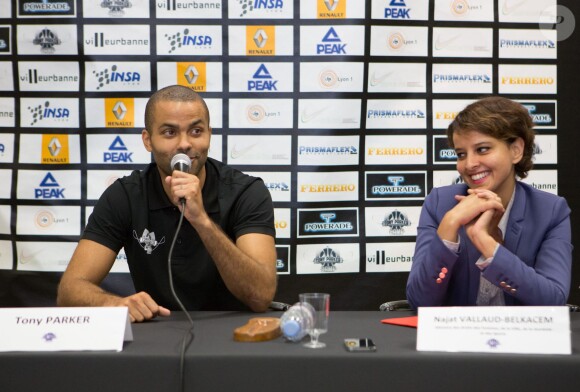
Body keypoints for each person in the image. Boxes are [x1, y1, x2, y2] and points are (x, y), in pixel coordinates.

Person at [57, 85, 278, 322]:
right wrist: (114, 303)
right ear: (148, 140)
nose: (184, 144)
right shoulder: (125, 195)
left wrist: (202, 221)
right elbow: (69, 290)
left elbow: (261, 295)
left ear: (209, 135)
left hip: (234, 335)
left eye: (196, 131)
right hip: (156, 335)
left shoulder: (246, 192)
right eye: (170, 133)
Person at [406, 96, 572, 308]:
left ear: (516, 150)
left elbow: (553, 300)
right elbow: (420, 302)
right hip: (454, 339)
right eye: (461, 154)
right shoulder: (439, 204)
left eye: (482, 149)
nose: (470, 164)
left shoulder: (550, 211)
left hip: (522, 338)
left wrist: (485, 242)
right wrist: (450, 223)